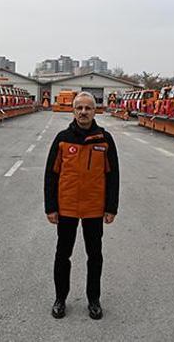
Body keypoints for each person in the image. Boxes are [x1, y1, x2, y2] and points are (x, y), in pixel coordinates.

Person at [44, 91, 119, 320]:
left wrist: (111, 207)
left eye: (88, 108)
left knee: (94, 255)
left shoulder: (104, 140)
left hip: (94, 209)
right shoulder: (62, 139)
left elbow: (113, 176)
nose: (83, 112)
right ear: (73, 110)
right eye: (79, 108)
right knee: (62, 255)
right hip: (66, 208)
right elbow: (51, 175)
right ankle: (60, 299)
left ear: (95, 111)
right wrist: (51, 207)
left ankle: (93, 300)